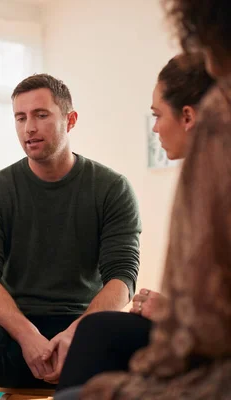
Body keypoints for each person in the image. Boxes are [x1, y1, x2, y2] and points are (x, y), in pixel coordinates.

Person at [59, 0, 231, 398]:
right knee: (100, 331)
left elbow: (202, 324)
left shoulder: (217, 132)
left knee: (92, 353)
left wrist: (170, 318)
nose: (154, 127)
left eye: (157, 115)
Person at [0, 73, 142, 400]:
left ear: (70, 120)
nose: (28, 127)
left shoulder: (111, 188)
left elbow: (122, 276)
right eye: (20, 118)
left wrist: (76, 334)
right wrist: (27, 336)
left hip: (83, 328)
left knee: (131, 342)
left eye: (41, 115)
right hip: (14, 330)